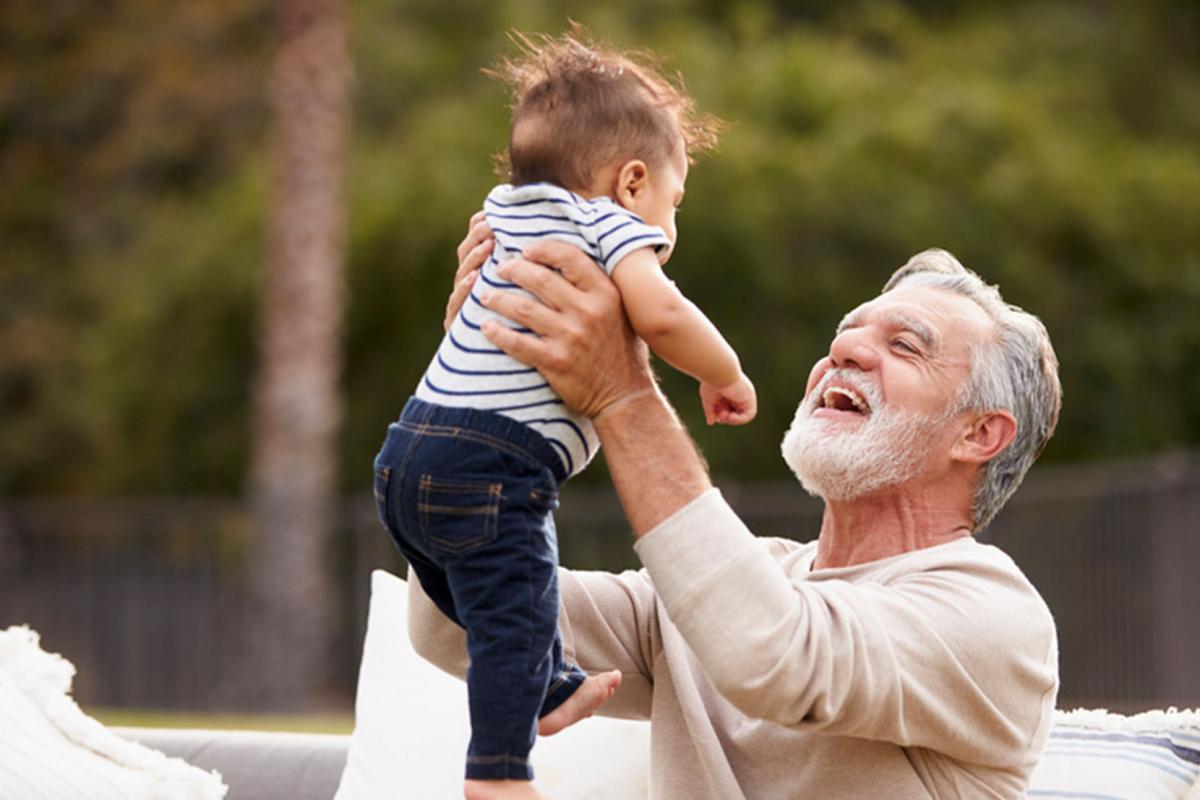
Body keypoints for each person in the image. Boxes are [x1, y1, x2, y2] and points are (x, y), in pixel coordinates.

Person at [412, 237, 1063, 798]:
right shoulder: (738, 586)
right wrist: (478, 391)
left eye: (904, 345)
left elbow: (773, 656)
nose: (844, 351)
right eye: (846, 333)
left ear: (979, 434)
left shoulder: (996, 614)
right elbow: (453, 625)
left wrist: (621, 390)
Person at [372, 31, 755, 800]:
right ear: (633, 181)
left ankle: (547, 684)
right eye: (673, 205)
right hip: (492, 463)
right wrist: (725, 373)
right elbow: (664, 314)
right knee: (515, 608)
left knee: (496, 603)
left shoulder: (505, 211)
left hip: (404, 453)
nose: (668, 229)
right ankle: (499, 776)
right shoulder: (609, 224)